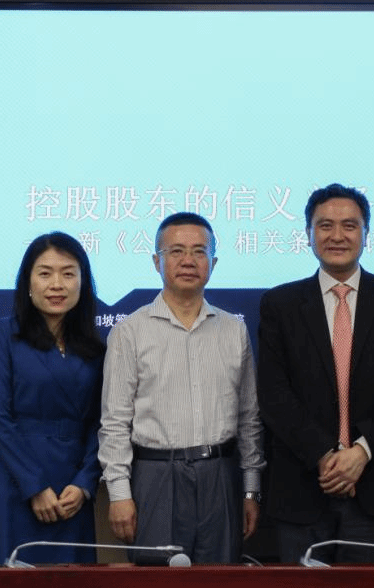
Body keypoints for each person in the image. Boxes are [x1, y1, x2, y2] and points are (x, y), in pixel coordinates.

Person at [257, 183, 374, 564]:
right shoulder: (280, 304)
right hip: (302, 488)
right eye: (325, 225)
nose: (337, 236)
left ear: (366, 233)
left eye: (349, 226)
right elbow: (274, 395)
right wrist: (325, 456)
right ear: (308, 234)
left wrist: (360, 453)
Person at [98, 212, 264, 564]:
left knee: (220, 579)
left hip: (220, 475)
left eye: (199, 251)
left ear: (213, 263)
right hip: (155, 477)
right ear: (156, 261)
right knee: (156, 580)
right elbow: (114, 423)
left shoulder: (233, 330)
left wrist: (251, 490)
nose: (188, 260)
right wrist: (119, 493)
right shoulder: (129, 332)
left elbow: (249, 418)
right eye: (176, 251)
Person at [0, 232, 106, 565]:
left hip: (70, 491)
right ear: (28, 282)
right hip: (15, 482)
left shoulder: (96, 348)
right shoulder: (4, 334)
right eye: (45, 273)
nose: (57, 284)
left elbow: (103, 423)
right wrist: (34, 486)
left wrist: (84, 483)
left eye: (68, 274)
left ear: (83, 283)